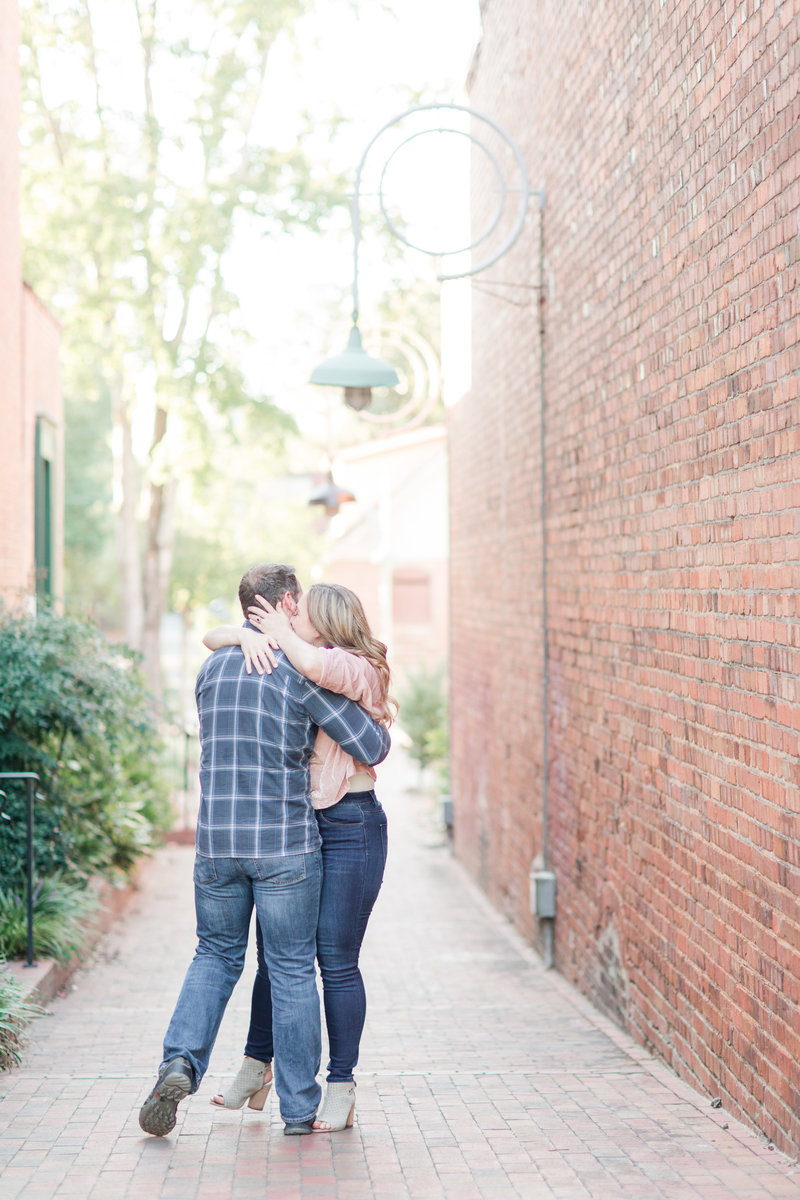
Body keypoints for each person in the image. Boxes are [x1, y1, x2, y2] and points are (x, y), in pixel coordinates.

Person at [137, 564, 391, 1139]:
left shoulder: (210, 668)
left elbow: (216, 643)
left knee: (215, 955)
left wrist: (238, 635)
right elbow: (371, 742)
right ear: (288, 603)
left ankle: (180, 1062)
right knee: (293, 967)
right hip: (284, 845)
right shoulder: (296, 672)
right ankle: (299, 1108)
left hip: (217, 844)